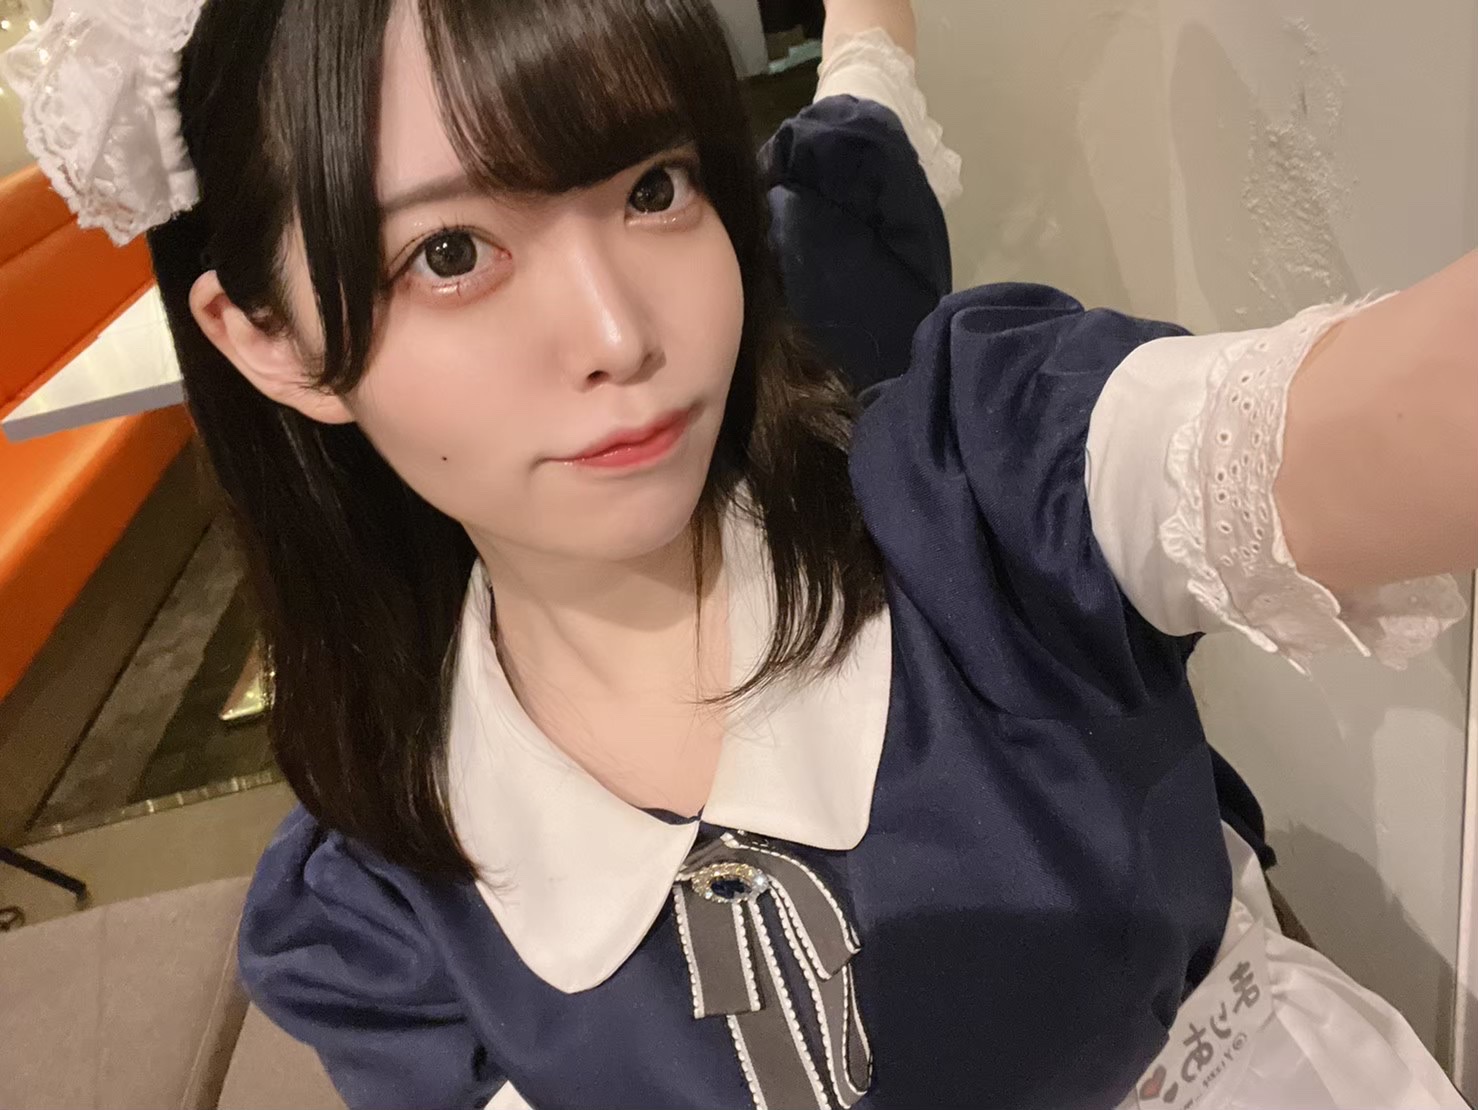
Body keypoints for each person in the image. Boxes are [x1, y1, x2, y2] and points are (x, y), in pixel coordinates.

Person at [5, 0, 1474, 1106]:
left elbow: (1350, 422)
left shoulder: (984, 483)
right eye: (449, 254)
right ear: (268, 337)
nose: (619, 334)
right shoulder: (374, 925)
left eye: (652, 187)